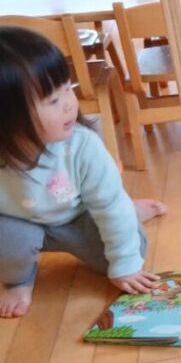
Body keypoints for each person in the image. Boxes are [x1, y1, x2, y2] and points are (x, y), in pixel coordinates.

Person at [0, 27, 168, 318]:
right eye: (53, 100)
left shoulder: (83, 146)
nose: (68, 103)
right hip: (19, 222)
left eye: (68, 88)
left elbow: (109, 206)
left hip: (80, 215)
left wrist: (124, 266)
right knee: (9, 240)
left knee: (130, 250)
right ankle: (19, 281)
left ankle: (131, 210)